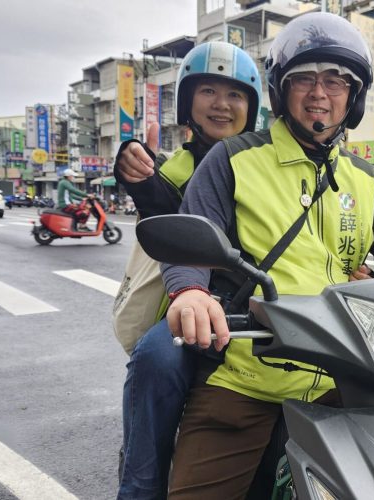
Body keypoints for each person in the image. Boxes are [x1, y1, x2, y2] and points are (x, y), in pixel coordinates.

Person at [161, 13, 374, 498]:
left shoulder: (362, 177)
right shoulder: (234, 159)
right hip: (246, 377)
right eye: (304, 79)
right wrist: (190, 292)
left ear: (353, 95)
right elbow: (191, 238)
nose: (320, 92)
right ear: (282, 90)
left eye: (336, 80)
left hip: (344, 379)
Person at [113, 41, 265, 499]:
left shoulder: (268, 162)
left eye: (235, 94)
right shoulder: (174, 170)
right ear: (187, 101)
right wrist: (137, 176)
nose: (222, 104)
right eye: (208, 91)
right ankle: (140, 486)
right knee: (157, 357)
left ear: (252, 106)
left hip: (270, 300)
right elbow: (165, 215)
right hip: (195, 304)